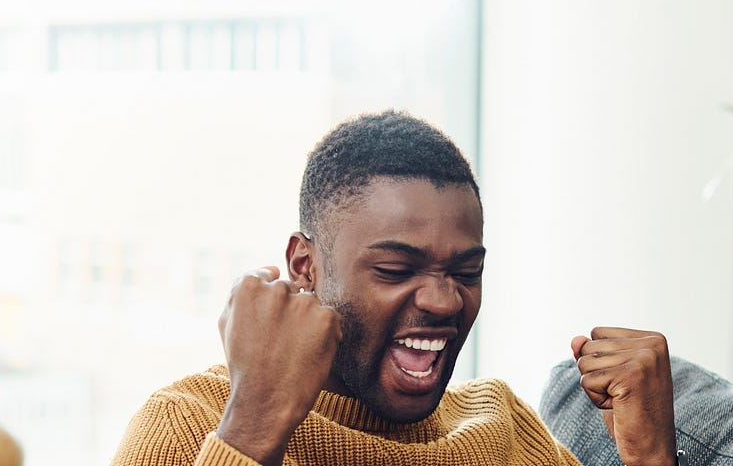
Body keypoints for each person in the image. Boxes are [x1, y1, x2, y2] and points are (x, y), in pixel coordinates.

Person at [111, 110, 681, 465]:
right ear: (304, 266)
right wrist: (256, 423)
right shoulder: (189, 424)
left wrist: (651, 456)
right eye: (395, 270)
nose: (444, 300)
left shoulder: (501, 430)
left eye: (465, 273)